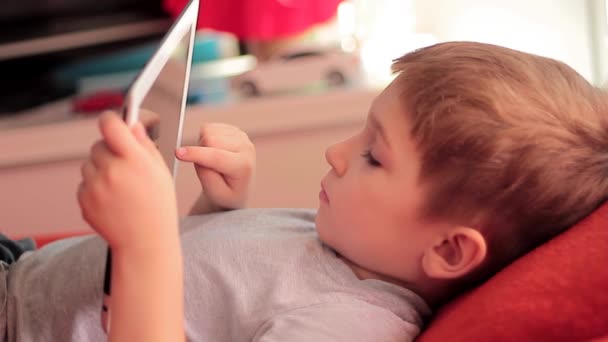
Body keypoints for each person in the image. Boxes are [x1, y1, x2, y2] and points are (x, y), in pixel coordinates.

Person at [1, 41, 607, 341]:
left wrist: (145, 242)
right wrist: (219, 205)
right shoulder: (349, 239)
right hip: (20, 267)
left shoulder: (349, 325)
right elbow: (209, 301)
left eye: (373, 155)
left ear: (449, 251)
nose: (336, 154)